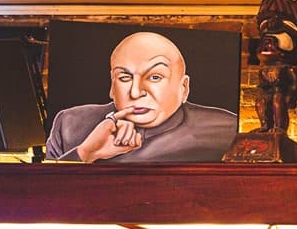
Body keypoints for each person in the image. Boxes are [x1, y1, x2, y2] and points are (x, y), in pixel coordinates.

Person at [44, 30, 238, 163]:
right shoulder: (70, 126)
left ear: (184, 87)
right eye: (125, 77)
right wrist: (85, 153)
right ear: (112, 87)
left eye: (154, 77)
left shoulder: (226, 131)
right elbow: (43, 202)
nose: (136, 92)